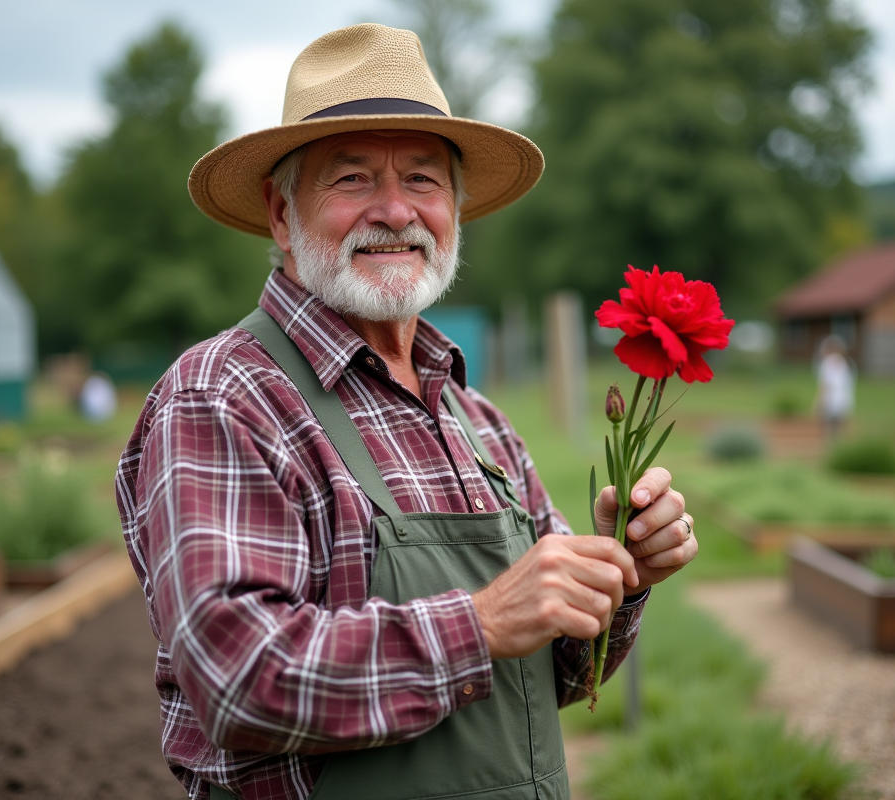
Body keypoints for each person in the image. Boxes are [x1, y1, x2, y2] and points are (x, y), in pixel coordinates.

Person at [116, 24, 697, 800]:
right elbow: (239, 673)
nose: (395, 211)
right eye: (352, 179)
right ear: (281, 215)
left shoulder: (476, 420)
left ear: (454, 208)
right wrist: (482, 622)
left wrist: (621, 574)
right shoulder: (223, 396)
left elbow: (553, 677)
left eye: (423, 180)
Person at [814, 335, 854, 441]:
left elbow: (825, 385)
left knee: (828, 430)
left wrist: (819, 403)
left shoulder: (827, 363)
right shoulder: (846, 363)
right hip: (844, 400)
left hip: (831, 400)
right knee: (840, 430)